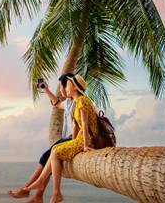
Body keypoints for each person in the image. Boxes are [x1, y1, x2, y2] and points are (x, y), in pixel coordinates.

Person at [20, 73, 100, 203]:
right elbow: (75, 122)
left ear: (74, 87)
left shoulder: (82, 101)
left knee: (55, 151)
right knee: (55, 149)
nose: (66, 88)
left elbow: (85, 125)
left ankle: (54, 192)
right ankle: (43, 186)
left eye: (67, 86)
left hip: (87, 139)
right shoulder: (76, 102)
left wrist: (85, 145)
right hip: (80, 138)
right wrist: (45, 90)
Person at [7, 74, 75, 202]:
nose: (61, 90)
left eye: (62, 87)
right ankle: (37, 194)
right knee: (45, 156)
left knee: (51, 154)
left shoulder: (78, 102)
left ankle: (27, 190)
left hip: (74, 139)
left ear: (70, 87)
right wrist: (46, 90)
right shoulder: (69, 103)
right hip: (68, 138)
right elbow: (56, 103)